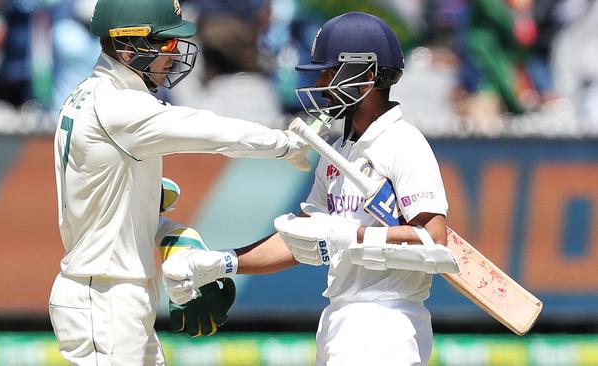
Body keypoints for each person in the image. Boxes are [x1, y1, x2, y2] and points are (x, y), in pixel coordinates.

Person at [163, 12, 458, 366]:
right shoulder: (339, 151)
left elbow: (433, 238)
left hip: (385, 321)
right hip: (339, 314)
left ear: (365, 76)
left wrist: (355, 236)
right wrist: (223, 262)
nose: (320, 81)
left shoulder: (403, 142)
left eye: (329, 72)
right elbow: (299, 240)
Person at [48, 0, 312, 364]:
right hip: (104, 296)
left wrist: (179, 241)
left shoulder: (91, 95)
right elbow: (211, 132)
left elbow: (121, 214)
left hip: (110, 292)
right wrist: (283, 144)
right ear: (129, 46)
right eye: (166, 44)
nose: (174, 56)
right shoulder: (117, 107)